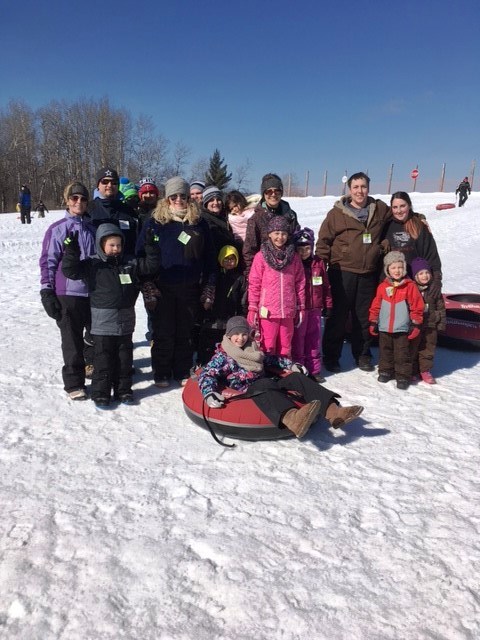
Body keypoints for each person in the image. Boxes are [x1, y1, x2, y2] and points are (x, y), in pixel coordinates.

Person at [199, 316, 364, 439]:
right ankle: (293, 419)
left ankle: (334, 411)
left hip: (266, 383)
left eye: (244, 334)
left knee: (296, 379)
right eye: (236, 334)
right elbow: (207, 373)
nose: (240, 338)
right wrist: (208, 392)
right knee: (264, 384)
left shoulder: (253, 348)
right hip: (246, 391)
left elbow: (271, 359)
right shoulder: (223, 356)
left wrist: (291, 365)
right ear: (228, 335)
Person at [62, 223, 160, 407]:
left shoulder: (130, 263)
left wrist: (151, 246)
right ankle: (101, 392)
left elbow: (150, 266)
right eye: (111, 245)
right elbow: (70, 271)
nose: (115, 249)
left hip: (125, 321)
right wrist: (71, 250)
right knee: (103, 360)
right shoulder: (93, 264)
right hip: (102, 324)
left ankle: (124, 391)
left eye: (118, 245)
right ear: (101, 245)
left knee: (124, 360)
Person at [136, 176, 217, 388]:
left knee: (185, 330)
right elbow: (140, 253)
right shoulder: (155, 222)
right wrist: (147, 283)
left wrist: (209, 284)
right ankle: (162, 371)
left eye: (182, 195)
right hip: (162, 286)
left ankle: (181, 369)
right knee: (163, 331)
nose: (178, 199)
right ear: (167, 197)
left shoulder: (198, 222)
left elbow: (210, 257)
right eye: (174, 195)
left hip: (190, 286)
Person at [315, 171, 390, 373]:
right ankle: (331, 357)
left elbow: (400, 216)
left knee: (363, 317)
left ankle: (363, 354)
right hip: (342, 272)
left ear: (368, 188)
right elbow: (323, 243)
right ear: (350, 189)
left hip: (368, 273)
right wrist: (319, 271)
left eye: (363, 186)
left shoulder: (380, 209)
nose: (360, 191)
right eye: (356, 187)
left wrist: (419, 217)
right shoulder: (336, 214)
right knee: (338, 317)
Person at [39, 181, 96, 400]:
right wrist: (47, 291)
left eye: (83, 198)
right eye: (74, 198)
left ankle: (96, 371)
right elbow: (48, 262)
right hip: (68, 293)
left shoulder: (93, 229)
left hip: (92, 291)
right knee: (72, 340)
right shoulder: (58, 229)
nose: (79, 202)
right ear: (67, 200)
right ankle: (74, 383)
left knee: (95, 336)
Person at [247, 216, 305, 357]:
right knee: (268, 344)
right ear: (269, 234)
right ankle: (269, 373)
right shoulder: (261, 257)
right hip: (268, 311)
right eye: (277, 233)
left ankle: (284, 373)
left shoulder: (294, 258)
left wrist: (301, 306)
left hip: (287, 310)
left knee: (286, 346)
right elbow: (254, 283)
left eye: (284, 233)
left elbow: (300, 282)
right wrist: (253, 308)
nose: (280, 237)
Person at [368, 252, 424, 390]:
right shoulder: (383, 286)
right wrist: (373, 320)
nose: (397, 270)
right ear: (388, 269)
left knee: (402, 353)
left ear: (404, 268)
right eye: (393, 268)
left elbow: (417, 306)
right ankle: (386, 370)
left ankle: (403, 376)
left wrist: (415, 323)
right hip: (385, 326)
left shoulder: (410, 286)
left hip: (402, 327)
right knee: (385, 351)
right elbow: (376, 304)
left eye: (400, 267)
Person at [291, 228, 332, 382]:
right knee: (299, 339)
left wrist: (328, 304)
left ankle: (314, 369)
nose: (304, 252)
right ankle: (300, 368)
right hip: (300, 308)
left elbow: (326, 286)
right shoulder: (294, 264)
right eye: (300, 249)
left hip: (315, 308)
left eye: (307, 248)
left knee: (314, 339)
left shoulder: (318, 263)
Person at [383, 192, 442, 297]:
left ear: (409, 205)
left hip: (416, 283)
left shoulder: (419, 225)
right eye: (395, 207)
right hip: (392, 283)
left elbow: (431, 254)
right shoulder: (385, 226)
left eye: (402, 206)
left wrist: (436, 278)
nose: (399, 211)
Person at [197, 244, 246, 365]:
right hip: (212, 318)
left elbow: (243, 299)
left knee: (225, 346)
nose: (229, 262)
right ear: (220, 259)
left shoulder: (240, 278)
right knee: (207, 344)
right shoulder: (214, 276)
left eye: (232, 259)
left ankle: (225, 366)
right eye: (226, 259)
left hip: (229, 318)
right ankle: (203, 363)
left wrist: (241, 315)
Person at [243, 173, 299, 276]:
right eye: (269, 191)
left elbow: (296, 242)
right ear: (264, 194)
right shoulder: (256, 219)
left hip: (289, 272)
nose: (273, 194)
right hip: (266, 273)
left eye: (277, 191)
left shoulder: (291, 216)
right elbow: (249, 250)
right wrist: (251, 275)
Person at [410, 257, 446, 384]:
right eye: (420, 273)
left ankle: (425, 370)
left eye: (427, 272)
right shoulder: (412, 289)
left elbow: (441, 307)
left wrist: (441, 323)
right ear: (415, 276)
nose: (425, 276)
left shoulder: (434, 289)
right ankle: (413, 370)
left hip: (431, 325)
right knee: (414, 348)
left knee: (428, 348)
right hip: (416, 325)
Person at [88, 167, 138, 254]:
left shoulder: (128, 210)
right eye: (105, 182)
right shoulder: (88, 209)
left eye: (114, 182)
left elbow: (135, 239)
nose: (110, 185)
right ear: (98, 185)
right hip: (97, 264)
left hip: (125, 263)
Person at [200, 185, 240, 255]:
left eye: (218, 199)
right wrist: (239, 244)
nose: (216, 203)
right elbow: (218, 238)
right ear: (206, 203)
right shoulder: (204, 218)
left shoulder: (225, 216)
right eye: (211, 200)